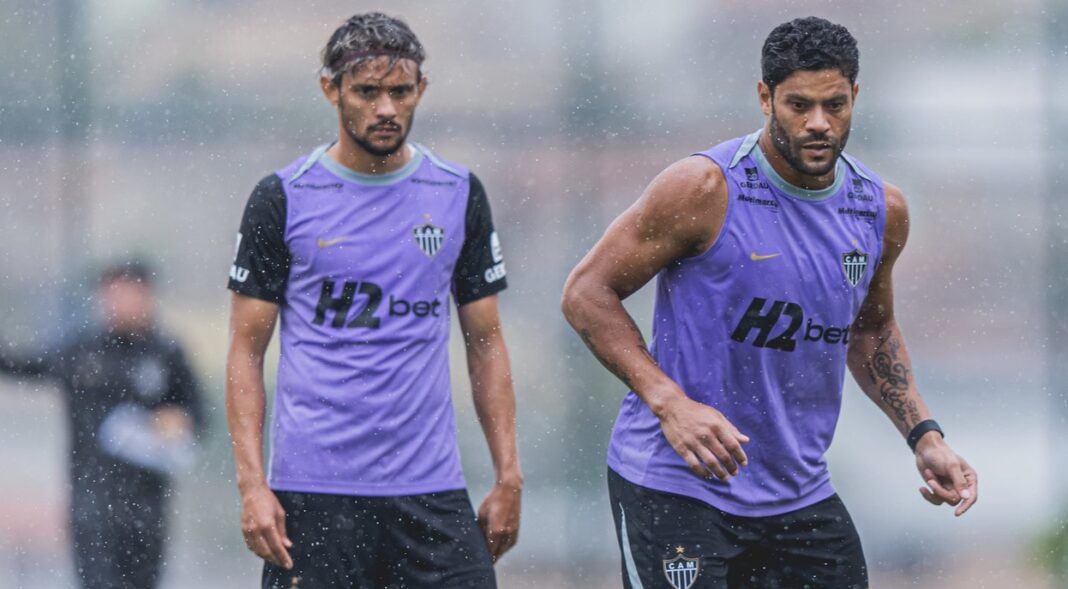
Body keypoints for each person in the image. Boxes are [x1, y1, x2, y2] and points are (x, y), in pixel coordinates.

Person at [561, 16, 978, 589]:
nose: (818, 123)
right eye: (798, 105)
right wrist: (671, 404)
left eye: (834, 105)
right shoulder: (704, 189)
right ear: (765, 98)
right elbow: (586, 294)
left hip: (797, 493)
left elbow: (870, 330)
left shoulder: (880, 210)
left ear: (855, 97)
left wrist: (924, 435)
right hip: (677, 484)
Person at [225, 12, 521, 588]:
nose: (386, 108)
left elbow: (486, 343)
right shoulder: (282, 197)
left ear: (421, 90)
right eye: (366, 92)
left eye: (400, 92)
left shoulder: (458, 193)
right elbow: (244, 351)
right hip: (315, 495)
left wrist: (509, 475)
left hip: (431, 489)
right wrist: (251, 485)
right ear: (330, 89)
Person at [0, 260, 203, 589]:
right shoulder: (82, 351)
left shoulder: (166, 353)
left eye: (128, 292)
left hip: (146, 506)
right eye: (111, 294)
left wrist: (177, 422)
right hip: (91, 503)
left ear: (146, 295)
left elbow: (196, 416)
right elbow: (18, 365)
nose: (118, 302)